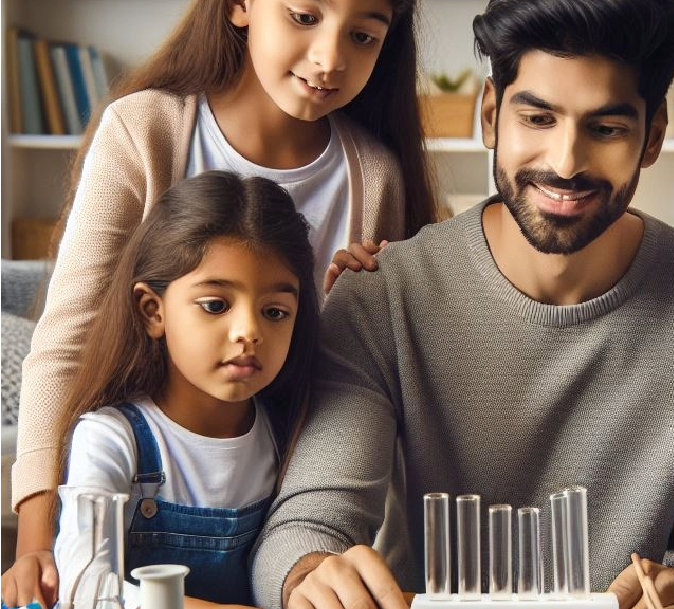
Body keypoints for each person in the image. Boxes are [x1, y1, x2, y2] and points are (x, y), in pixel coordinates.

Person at [249, 1, 674, 609]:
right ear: (489, 115)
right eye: (537, 118)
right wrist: (309, 575)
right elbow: (307, 521)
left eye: (606, 129)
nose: (565, 163)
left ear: (653, 136)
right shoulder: (381, 298)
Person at [2, 0, 439, 605]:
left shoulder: (375, 175)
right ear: (240, 6)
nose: (330, 58)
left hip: (274, 496)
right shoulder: (145, 130)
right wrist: (34, 543)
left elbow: (352, 384)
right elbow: (67, 340)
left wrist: (349, 306)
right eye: (304, 16)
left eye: (363, 36)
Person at [49, 171, 319, 608]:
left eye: (275, 311)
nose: (248, 332)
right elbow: (85, 588)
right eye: (215, 305)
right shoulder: (112, 438)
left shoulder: (288, 434)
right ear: (153, 311)